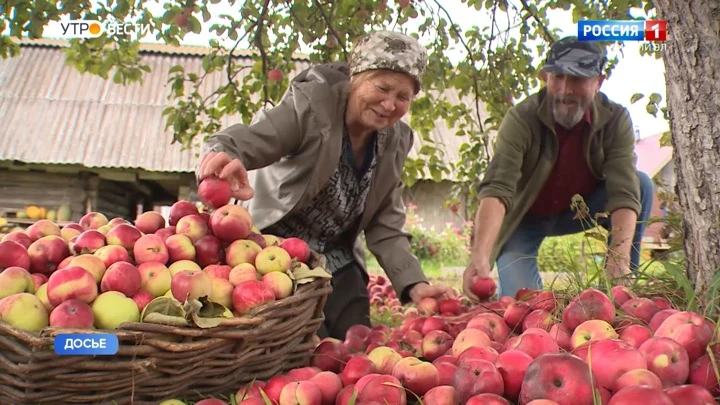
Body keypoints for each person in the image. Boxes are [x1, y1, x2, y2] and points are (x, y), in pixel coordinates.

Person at [196, 30, 456, 339]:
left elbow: (385, 221)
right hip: (278, 251)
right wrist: (225, 153)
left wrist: (415, 284)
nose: (389, 105)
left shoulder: (396, 140)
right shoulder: (312, 105)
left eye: (403, 97)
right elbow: (261, 136)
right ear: (356, 78)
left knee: (356, 341)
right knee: (299, 344)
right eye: (382, 87)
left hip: (335, 255)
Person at [462, 36, 654, 300]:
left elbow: (624, 191)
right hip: (525, 217)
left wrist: (617, 261)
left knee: (641, 184)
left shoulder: (615, 119)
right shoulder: (521, 118)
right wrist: (479, 256)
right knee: (524, 303)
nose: (565, 90)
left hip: (580, 210)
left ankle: (622, 289)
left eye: (576, 80)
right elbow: (497, 188)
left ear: (598, 82)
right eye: (557, 78)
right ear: (545, 78)